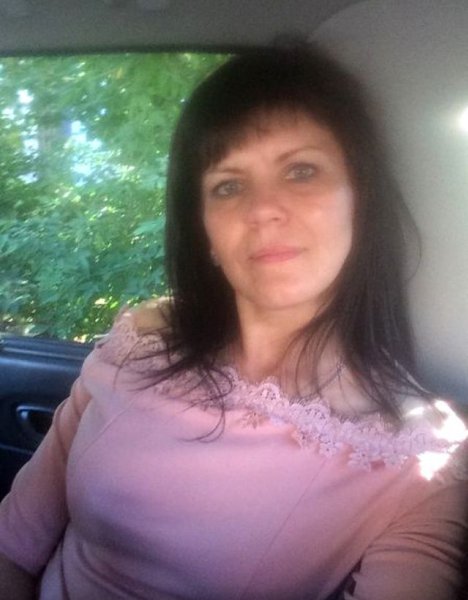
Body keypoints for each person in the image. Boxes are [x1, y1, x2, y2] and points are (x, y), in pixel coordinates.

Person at [0, 44, 467, 600]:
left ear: (360, 204)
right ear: (206, 235)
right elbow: (12, 544)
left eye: (301, 171)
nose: (262, 208)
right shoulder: (139, 342)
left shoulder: (418, 454)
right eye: (228, 185)